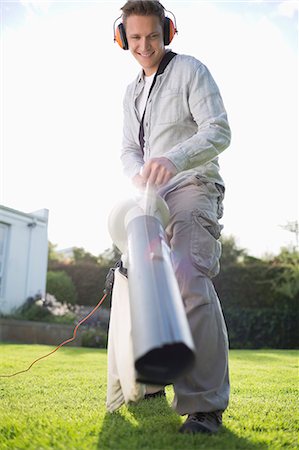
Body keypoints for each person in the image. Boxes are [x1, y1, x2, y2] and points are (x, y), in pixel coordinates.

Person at [115, 0, 231, 434]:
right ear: (122, 38)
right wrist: (137, 175)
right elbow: (128, 149)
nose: (145, 46)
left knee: (189, 280)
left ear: (168, 32)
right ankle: (153, 381)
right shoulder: (131, 92)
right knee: (142, 284)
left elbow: (218, 130)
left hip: (194, 187)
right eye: (136, 38)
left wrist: (172, 158)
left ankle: (204, 406)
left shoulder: (191, 71)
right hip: (150, 198)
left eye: (153, 36)